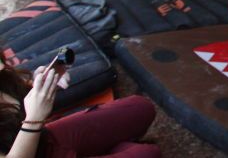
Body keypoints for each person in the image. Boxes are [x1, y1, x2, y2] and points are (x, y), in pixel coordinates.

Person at [0, 49, 160, 158]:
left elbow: (18, 106)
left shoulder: (2, 75)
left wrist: (38, 87)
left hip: (45, 141)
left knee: (139, 107)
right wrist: (34, 119)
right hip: (27, 143)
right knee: (148, 152)